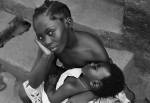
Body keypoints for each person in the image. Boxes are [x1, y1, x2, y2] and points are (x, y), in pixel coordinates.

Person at [1, 0, 131, 103]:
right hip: (65, 79)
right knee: (24, 92)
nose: (46, 40)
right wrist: (46, 57)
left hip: (86, 86)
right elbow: (33, 82)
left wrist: (84, 96)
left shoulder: (92, 48)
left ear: (68, 23)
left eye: (51, 32)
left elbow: (106, 81)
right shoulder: (50, 45)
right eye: (40, 36)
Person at [44, 61, 125, 103]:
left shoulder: (71, 85)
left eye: (94, 67)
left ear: (94, 83)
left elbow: (53, 99)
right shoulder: (96, 89)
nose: (92, 63)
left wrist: (51, 84)